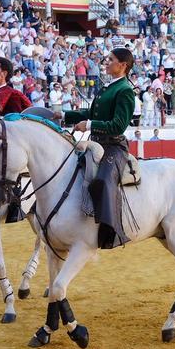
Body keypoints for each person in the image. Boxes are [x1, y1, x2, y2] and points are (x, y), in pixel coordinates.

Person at [57, 48, 136, 249]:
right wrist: (64, 116)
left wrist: (89, 125)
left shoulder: (125, 90)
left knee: (103, 180)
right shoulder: (108, 87)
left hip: (113, 145)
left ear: (123, 65)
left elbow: (118, 125)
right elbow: (90, 112)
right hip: (96, 143)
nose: (106, 62)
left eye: (111, 59)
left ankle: (111, 231)